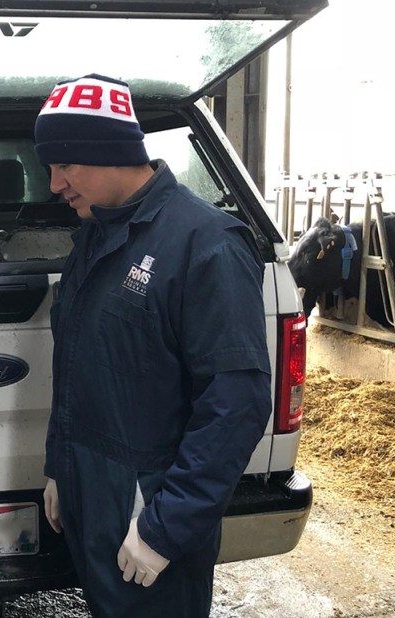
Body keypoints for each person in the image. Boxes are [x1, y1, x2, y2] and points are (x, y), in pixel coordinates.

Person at [34, 74, 272, 617]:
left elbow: (236, 404)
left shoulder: (205, 243)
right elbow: (78, 363)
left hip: (150, 500)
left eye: (65, 164)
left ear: (111, 152)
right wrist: (59, 465)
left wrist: (166, 527)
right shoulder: (96, 235)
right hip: (90, 487)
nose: (54, 184)